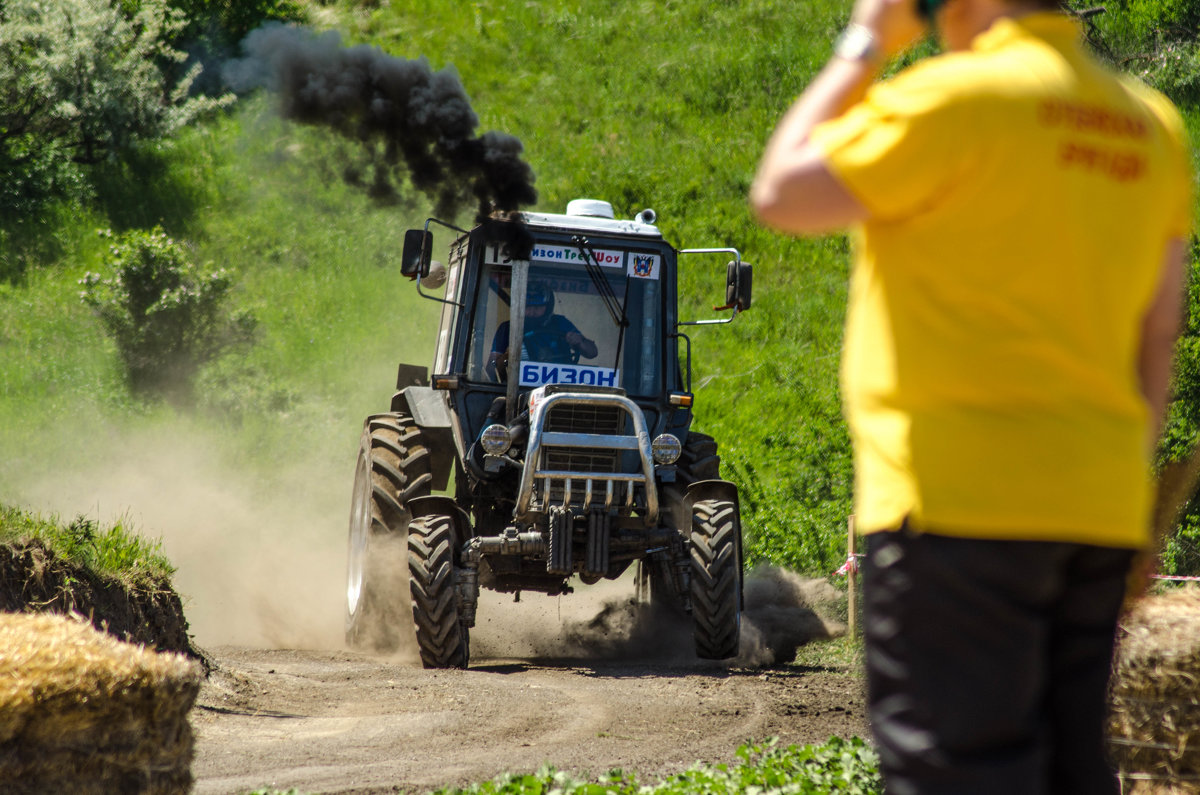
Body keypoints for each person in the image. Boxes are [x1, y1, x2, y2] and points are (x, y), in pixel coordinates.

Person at [750, 0, 1192, 792]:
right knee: (1072, 772)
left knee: (953, 773)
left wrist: (868, 41)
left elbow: (782, 190)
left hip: (955, 509)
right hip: (1098, 513)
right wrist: (1129, 499)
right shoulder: (1148, 125)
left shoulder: (953, 100)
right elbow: (1156, 342)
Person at [486, 281, 598, 381]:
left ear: (548, 306)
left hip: (558, 387)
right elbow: (491, 368)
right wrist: (505, 358)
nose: (532, 312)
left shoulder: (560, 323)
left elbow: (592, 353)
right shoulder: (508, 328)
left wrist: (580, 342)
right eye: (528, 307)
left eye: (538, 307)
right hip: (516, 389)